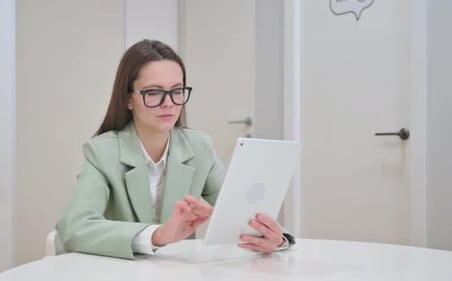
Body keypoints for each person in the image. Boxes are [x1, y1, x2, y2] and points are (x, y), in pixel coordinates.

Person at [56, 39, 294, 259]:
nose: (168, 102)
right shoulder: (102, 152)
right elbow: (75, 227)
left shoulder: (198, 147)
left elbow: (241, 210)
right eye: (154, 92)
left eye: (176, 91)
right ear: (128, 99)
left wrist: (277, 238)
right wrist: (158, 235)